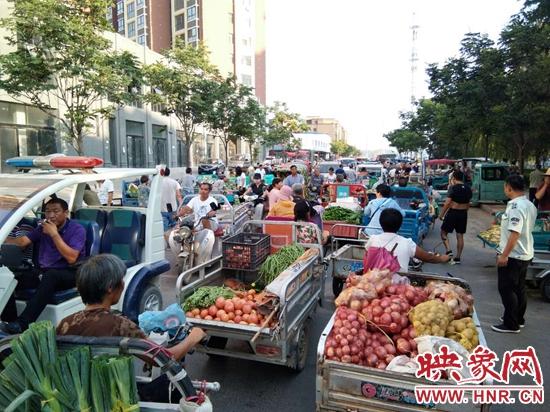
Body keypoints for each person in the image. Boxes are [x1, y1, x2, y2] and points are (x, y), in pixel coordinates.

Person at [56, 254, 206, 402]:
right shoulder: (119, 324)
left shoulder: (64, 324)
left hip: (75, 398)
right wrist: (192, 338)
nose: (122, 284)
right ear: (110, 288)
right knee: (175, 387)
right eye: (120, 280)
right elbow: (164, 358)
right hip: (113, 400)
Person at [0, 198, 86, 334]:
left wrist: (54, 234)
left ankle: (23, 324)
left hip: (70, 272)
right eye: (47, 211)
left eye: (56, 211)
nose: (51, 215)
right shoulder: (42, 228)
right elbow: (22, 242)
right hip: (43, 272)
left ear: (66, 213)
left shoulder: (77, 229)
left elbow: (72, 258)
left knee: (51, 276)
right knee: (11, 276)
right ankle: (9, 321)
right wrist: (2, 236)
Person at [492, 175, 536, 333]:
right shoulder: (529, 204)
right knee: (519, 288)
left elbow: (515, 234)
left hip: (514, 255)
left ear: (509, 187)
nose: (504, 189)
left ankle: (511, 324)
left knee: (506, 288)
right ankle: (518, 318)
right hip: (525, 253)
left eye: (505, 186)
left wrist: (504, 255)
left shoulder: (516, 207)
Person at [365, 208, 450, 272]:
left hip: (374, 283)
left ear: (380, 223)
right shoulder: (407, 243)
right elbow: (428, 257)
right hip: (399, 287)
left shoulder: (372, 239)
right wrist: (442, 258)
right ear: (400, 224)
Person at [439, 171, 472, 264]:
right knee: (460, 235)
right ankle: (458, 257)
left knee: (443, 232)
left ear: (453, 178)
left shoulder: (452, 188)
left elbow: (447, 203)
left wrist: (441, 215)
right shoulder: (468, 188)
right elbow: (468, 204)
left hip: (453, 213)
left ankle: (449, 251)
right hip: (463, 213)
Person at [161, 167, 182, 233]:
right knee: (175, 227)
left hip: (161, 209)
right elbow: (178, 196)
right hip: (173, 209)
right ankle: (173, 241)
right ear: (169, 173)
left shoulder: (158, 183)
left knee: (164, 229)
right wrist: (181, 206)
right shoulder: (175, 182)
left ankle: (165, 242)